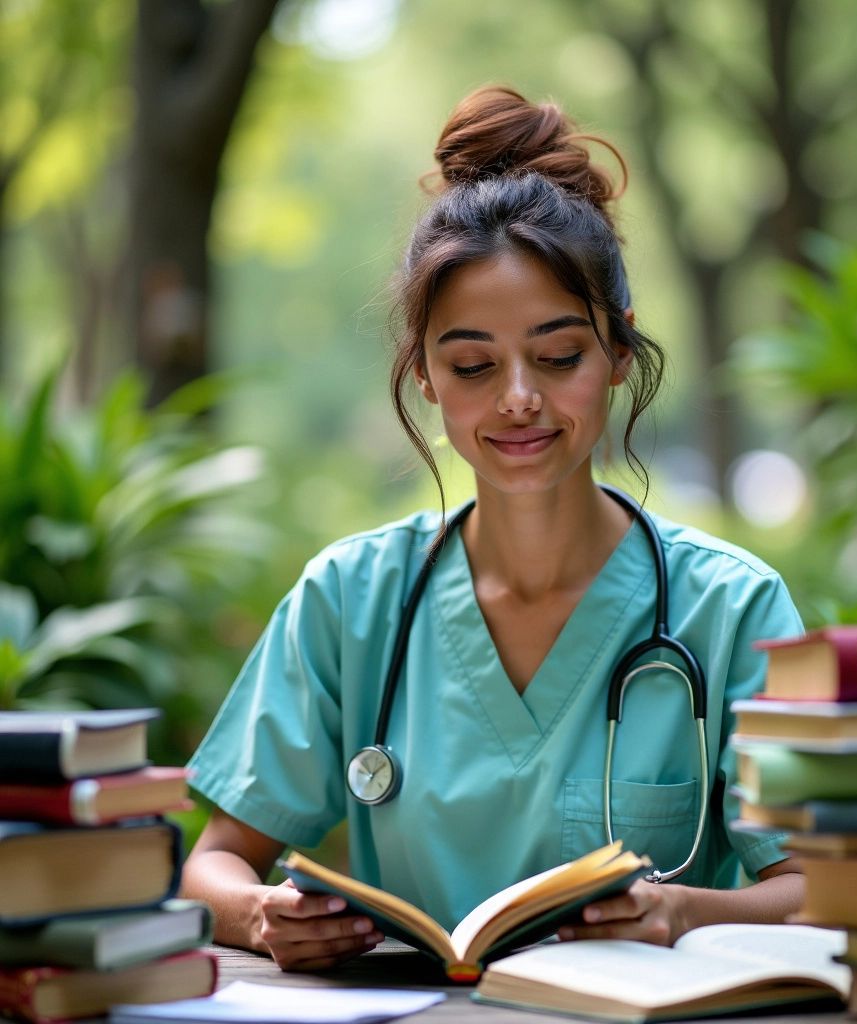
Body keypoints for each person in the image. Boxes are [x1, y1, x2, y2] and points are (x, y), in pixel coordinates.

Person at [181, 85, 805, 972]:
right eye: (472, 363)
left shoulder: (732, 609)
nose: (518, 397)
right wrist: (261, 916)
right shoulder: (348, 602)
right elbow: (211, 866)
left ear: (621, 352)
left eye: (559, 356)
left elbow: (819, 888)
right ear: (425, 377)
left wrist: (684, 912)